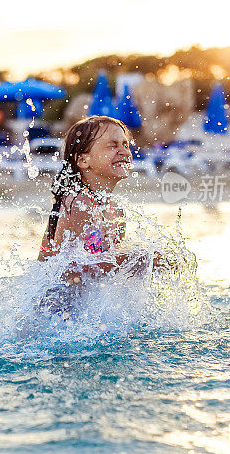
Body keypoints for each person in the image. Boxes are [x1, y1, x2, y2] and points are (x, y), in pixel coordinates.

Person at [37, 116, 152, 317]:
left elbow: (106, 269)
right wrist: (135, 259)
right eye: (112, 145)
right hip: (52, 307)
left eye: (125, 144)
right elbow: (72, 270)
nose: (124, 151)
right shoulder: (77, 202)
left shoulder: (115, 210)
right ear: (83, 160)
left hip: (80, 307)